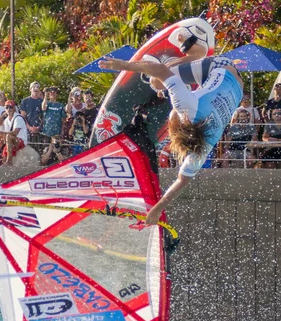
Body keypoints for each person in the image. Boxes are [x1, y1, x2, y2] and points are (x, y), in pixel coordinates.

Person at [99, 55, 243, 225]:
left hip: (238, 91)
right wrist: (124, 64)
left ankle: (181, 81)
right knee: (156, 81)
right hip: (221, 68)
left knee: (174, 85)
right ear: (177, 126)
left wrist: (159, 207)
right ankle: (190, 52)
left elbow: (182, 181)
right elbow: (160, 71)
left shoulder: (204, 145)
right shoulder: (185, 107)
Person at [20, 81, 44, 154]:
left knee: (40, 150)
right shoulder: (25, 101)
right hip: (28, 131)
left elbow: (44, 117)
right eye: (33, 87)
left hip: (40, 130)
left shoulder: (42, 102)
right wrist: (29, 127)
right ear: (30, 89)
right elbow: (23, 116)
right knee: (29, 151)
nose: (35, 88)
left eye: (37, 87)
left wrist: (39, 127)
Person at [3, 100, 28, 166]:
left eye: (10, 107)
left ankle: (9, 161)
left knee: (8, 136)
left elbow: (15, 133)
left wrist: (1, 133)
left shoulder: (18, 118)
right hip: (12, 141)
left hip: (21, 140)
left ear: (14, 108)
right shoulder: (6, 120)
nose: (9, 109)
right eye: (7, 107)